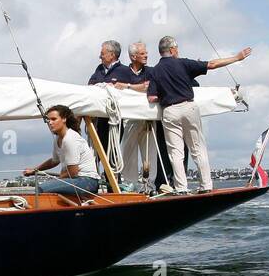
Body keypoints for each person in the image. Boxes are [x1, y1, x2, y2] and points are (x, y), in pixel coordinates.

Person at [147, 35, 252, 193]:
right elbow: (212, 64)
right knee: (197, 149)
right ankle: (206, 186)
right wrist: (237, 58)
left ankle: (181, 188)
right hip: (188, 107)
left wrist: (166, 95)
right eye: (177, 48)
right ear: (172, 49)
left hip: (169, 110)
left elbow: (151, 97)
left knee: (175, 153)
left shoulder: (155, 71)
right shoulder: (183, 63)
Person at [113, 41, 171, 194]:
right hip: (130, 119)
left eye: (146, 53)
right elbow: (115, 87)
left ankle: (149, 185)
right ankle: (129, 185)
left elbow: (149, 86)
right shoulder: (122, 72)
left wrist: (128, 86)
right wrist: (137, 87)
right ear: (133, 56)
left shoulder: (151, 71)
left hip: (148, 119)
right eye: (143, 53)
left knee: (150, 153)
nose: (146, 55)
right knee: (128, 151)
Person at [23, 105, 100, 198]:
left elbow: (73, 172)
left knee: (40, 189)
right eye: (48, 120)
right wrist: (35, 170)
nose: (50, 123)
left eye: (53, 119)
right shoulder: (58, 138)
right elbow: (54, 161)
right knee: (45, 187)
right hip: (77, 180)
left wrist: (57, 180)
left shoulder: (70, 139)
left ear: (64, 119)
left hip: (87, 181)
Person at [87, 40, 124, 168]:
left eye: (102, 53)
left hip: (115, 119)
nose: (100, 56)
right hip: (100, 118)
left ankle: (112, 180)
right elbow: (90, 84)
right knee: (99, 150)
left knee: (113, 151)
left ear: (112, 54)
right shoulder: (99, 70)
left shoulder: (124, 71)